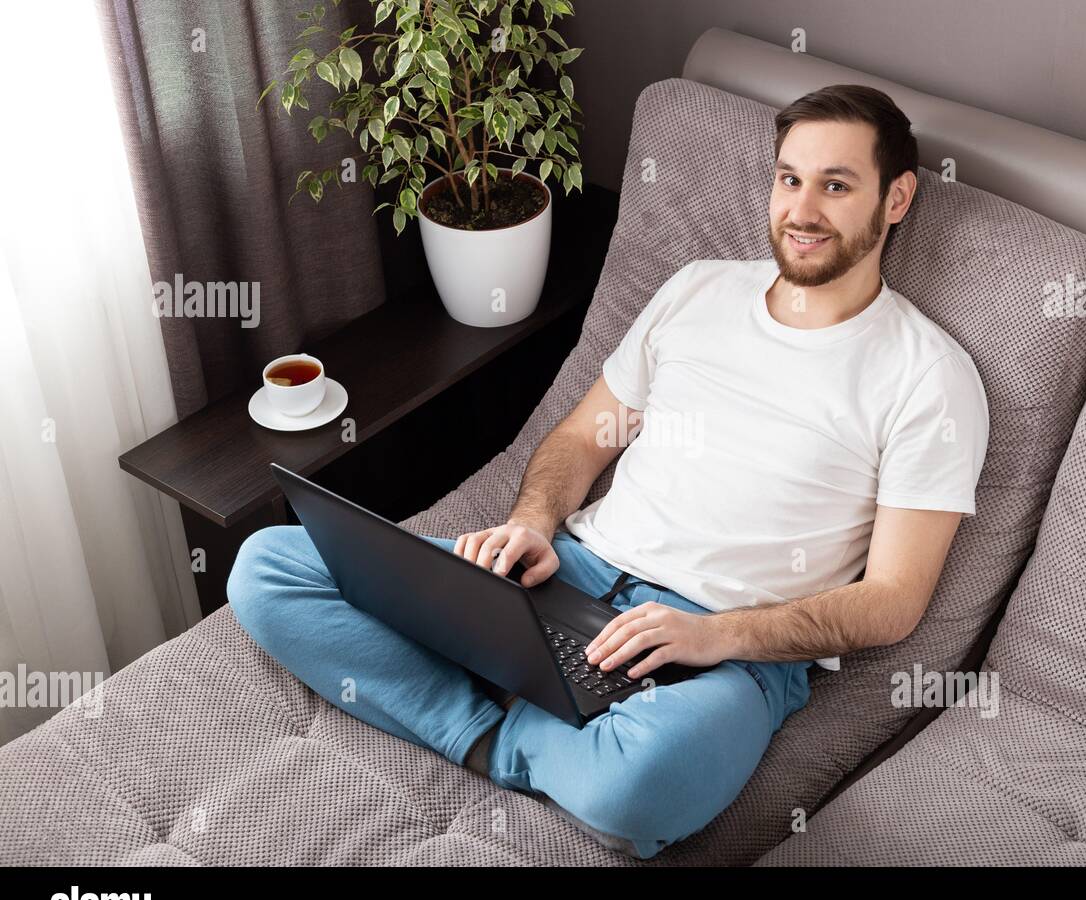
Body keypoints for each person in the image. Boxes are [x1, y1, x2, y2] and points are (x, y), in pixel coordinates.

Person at [227, 83, 989, 859]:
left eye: (836, 185)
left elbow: (893, 602)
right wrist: (533, 523)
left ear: (896, 199)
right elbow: (583, 441)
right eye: (789, 178)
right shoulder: (698, 289)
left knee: (640, 784)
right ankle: (492, 732)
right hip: (576, 580)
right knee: (267, 569)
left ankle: (484, 721)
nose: (801, 210)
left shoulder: (928, 374)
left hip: (722, 655)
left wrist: (711, 636)